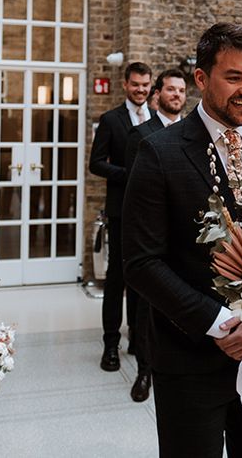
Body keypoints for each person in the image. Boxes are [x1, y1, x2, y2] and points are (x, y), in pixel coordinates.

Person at [122, 23, 242, 457]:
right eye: (234, 77)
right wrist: (217, 323)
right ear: (201, 78)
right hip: (188, 361)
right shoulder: (158, 152)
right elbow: (141, 262)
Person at [122, 68, 187, 403]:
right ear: (157, 94)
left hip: (186, 235)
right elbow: (135, 192)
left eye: (181, 90)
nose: (176, 95)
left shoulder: (195, 133)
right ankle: (145, 371)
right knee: (148, 306)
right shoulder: (141, 135)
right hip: (153, 235)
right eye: (170, 89)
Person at [89, 61, 153, 372]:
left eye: (145, 85)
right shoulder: (110, 120)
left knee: (144, 276)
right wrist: (128, 174)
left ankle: (138, 339)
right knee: (116, 278)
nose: (140, 89)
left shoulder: (156, 119)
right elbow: (96, 163)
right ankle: (110, 344)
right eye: (136, 84)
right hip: (120, 210)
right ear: (125, 85)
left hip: (150, 213)